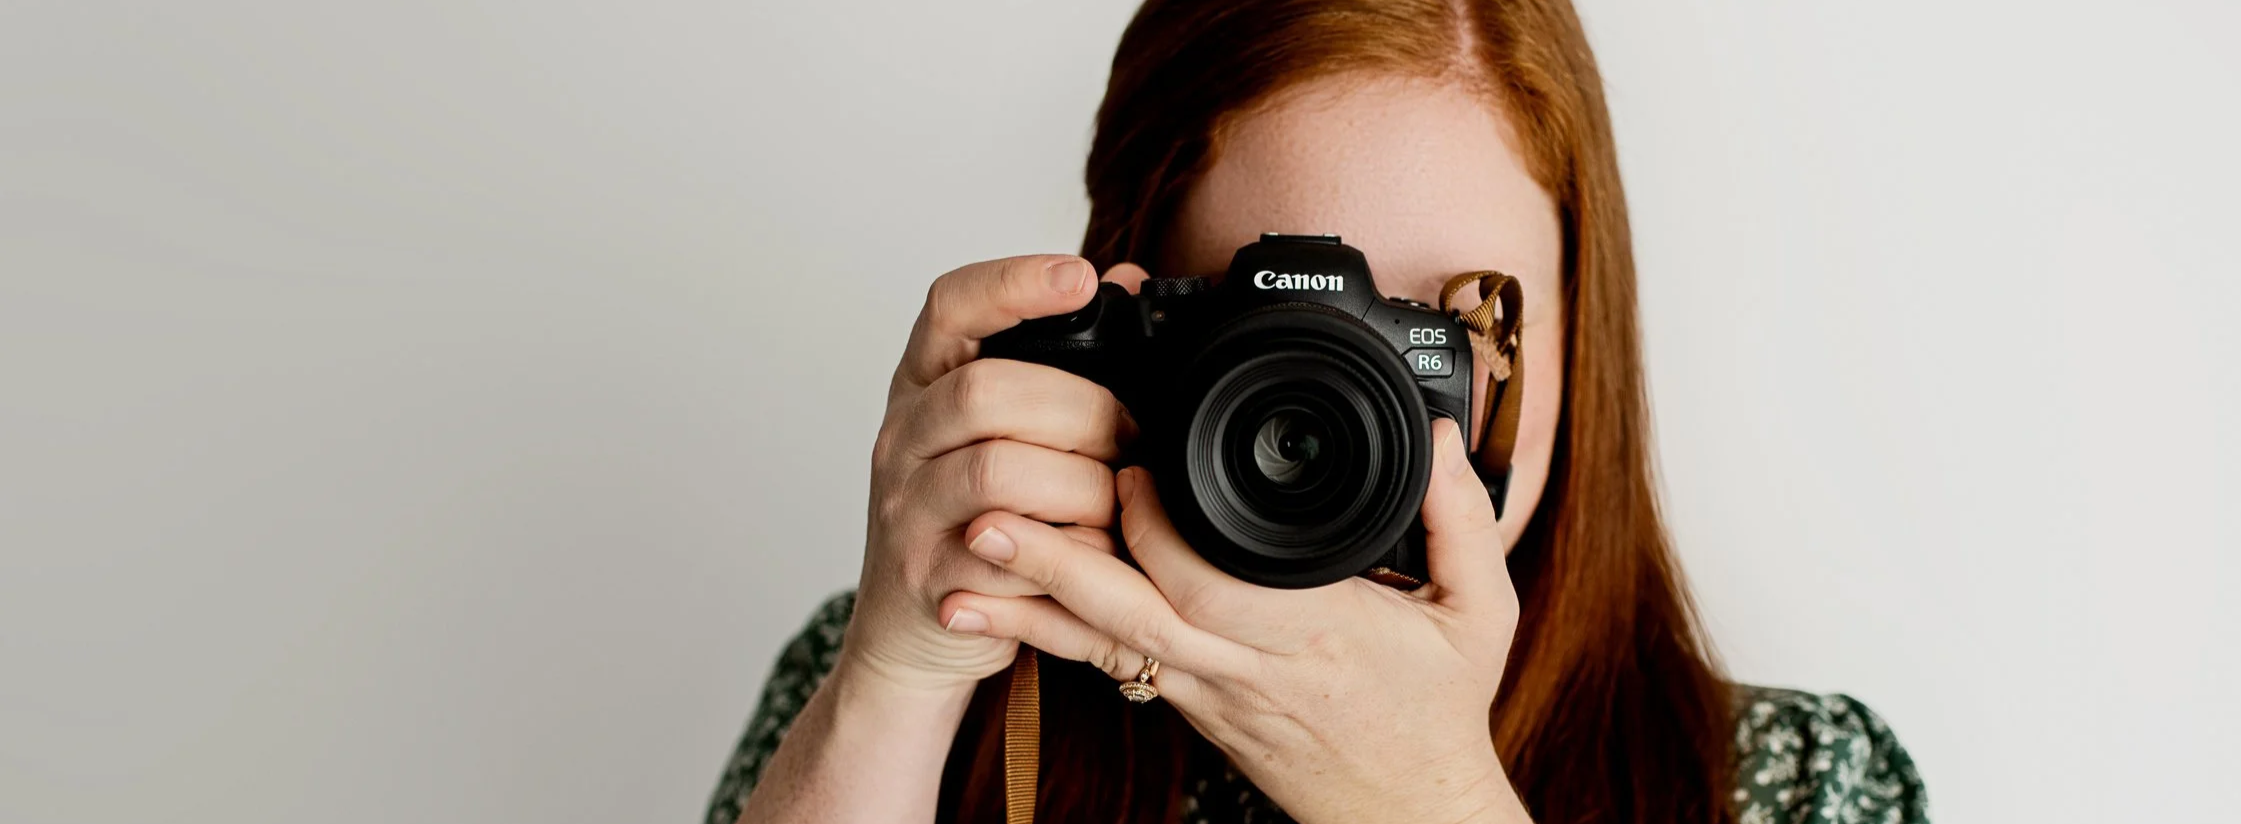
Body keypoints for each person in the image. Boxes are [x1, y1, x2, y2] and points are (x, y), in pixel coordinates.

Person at [708, 1, 1925, 822]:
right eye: (1277, 324)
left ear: (1575, 324)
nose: (1355, 402)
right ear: (1138, 326)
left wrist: (1425, 797)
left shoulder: (1792, 785)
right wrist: (895, 686)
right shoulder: (927, 669)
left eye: (1445, 319)